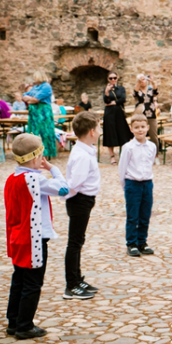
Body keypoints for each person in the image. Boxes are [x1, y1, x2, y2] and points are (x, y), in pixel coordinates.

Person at [4, 133, 69, 340]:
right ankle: (25, 325)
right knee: (33, 282)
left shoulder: (12, 178)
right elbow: (63, 189)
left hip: (18, 236)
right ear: (35, 158)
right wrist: (52, 168)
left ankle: (14, 321)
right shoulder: (34, 178)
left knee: (19, 279)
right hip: (33, 238)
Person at [63, 111, 102, 300]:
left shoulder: (86, 150)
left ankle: (77, 279)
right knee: (75, 242)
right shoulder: (82, 155)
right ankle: (71, 285)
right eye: (100, 127)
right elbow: (74, 184)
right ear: (92, 132)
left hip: (84, 200)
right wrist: (67, 198)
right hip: (80, 200)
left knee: (79, 241)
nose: (101, 130)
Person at [120, 115, 157, 258]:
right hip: (132, 183)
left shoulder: (152, 146)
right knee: (132, 215)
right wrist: (125, 186)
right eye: (136, 127)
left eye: (142, 127)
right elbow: (122, 167)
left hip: (147, 183)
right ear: (131, 129)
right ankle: (131, 243)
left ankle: (142, 241)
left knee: (145, 214)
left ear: (147, 128)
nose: (140, 130)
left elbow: (150, 163)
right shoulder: (128, 147)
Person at [23, 72, 57, 159]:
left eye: (35, 77)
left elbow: (36, 99)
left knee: (44, 132)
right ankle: (34, 153)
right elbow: (25, 95)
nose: (34, 79)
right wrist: (31, 99)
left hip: (43, 113)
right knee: (33, 132)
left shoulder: (46, 86)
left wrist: (31, 99)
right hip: (34, 114)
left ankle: (44, 153)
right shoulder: (36, 87)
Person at [103, 72, 132, 165]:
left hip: (119, 113)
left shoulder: (121, 88)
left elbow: (123, 99)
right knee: (110, 134)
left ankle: (124, 155)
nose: (113, 80)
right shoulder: (105, 89)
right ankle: (112, 156)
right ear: (108, 79)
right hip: (109, 114)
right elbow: (105, 101)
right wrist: (107, 92)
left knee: (123, 133)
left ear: (117, 78)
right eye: (111, 78)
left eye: (114, 78)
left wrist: (113, 102)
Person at [133, 73, 160, 153]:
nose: (143, 81)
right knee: (140, 135)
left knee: (154, 136)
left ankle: (156, 154)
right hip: (140, 116)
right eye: (141, 80)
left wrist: (153, 82)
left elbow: (156, 92)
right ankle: (140, 152)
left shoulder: (150, 89)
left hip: (151, 114)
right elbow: (135, 93)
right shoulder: (138, 90)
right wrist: (138, 81)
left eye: (144, 79)